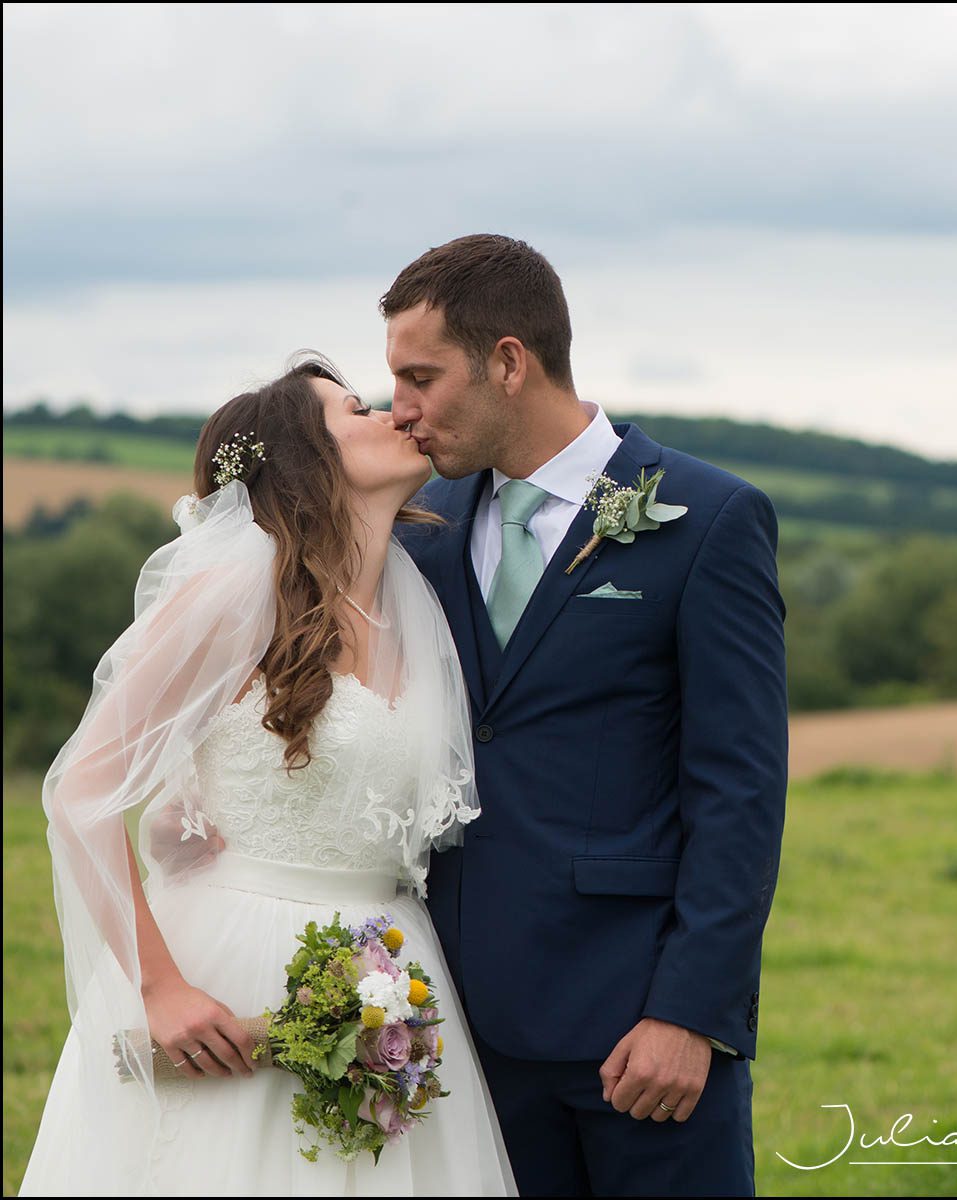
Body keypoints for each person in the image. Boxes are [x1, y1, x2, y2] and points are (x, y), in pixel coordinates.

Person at [19, 356, 517, 1196]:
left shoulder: (415, 604)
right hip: (232, 963)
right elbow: (80, 792)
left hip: (389, 966)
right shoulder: (230, 597)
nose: (393, 415)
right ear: (303, 460)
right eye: (356, 409)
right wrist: (162, 987)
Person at [383, 234, 789, 1196]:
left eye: (420, 376)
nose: (399, 408)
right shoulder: (426, 528)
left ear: (509, 363)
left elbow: (740, 789)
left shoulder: (710, 520)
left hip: (638, 1035)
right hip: (459, 1037)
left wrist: (691, 1015)